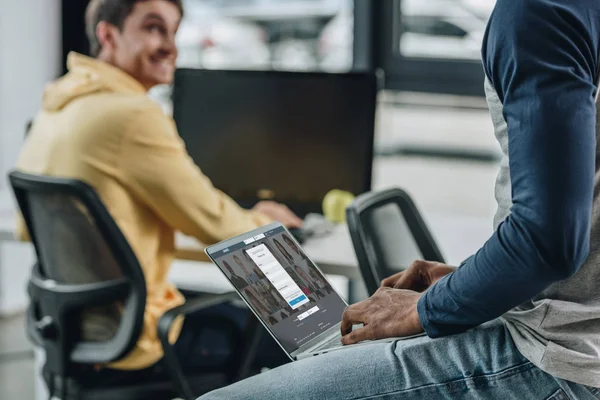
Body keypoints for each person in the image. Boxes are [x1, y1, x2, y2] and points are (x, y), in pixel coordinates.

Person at [200, 0, 600, 398]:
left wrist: (422, 309)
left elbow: (546, 243)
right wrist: (469, 284)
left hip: (555, 361)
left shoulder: (536, 12)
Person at [15, 0, 298, 384]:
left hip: (70, 328)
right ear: (108, 35)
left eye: (173, 31)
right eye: (153, 28)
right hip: (134, 342)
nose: (170, 45)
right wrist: (266, 218)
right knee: (293, 328)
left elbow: (26, 229)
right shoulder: (132, 113)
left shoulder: (56, 106)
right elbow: (216, 225)